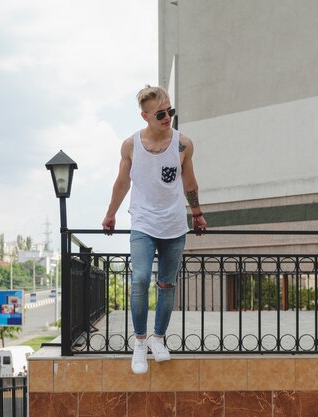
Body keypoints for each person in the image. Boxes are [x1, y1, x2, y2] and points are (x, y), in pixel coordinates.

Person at [102, 85, 207, 374]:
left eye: (170, 111)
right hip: (143, 223)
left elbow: (190, 183)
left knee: (167, 284)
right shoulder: (131, 146)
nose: (167, 117)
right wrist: (110, 214)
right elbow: (122, 183)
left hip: (174, 225)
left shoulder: (183, 144)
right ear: (145, 116)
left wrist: (197, 214)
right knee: (138, 280)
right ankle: (139, 342)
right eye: (161, 113)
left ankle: (159, 339)